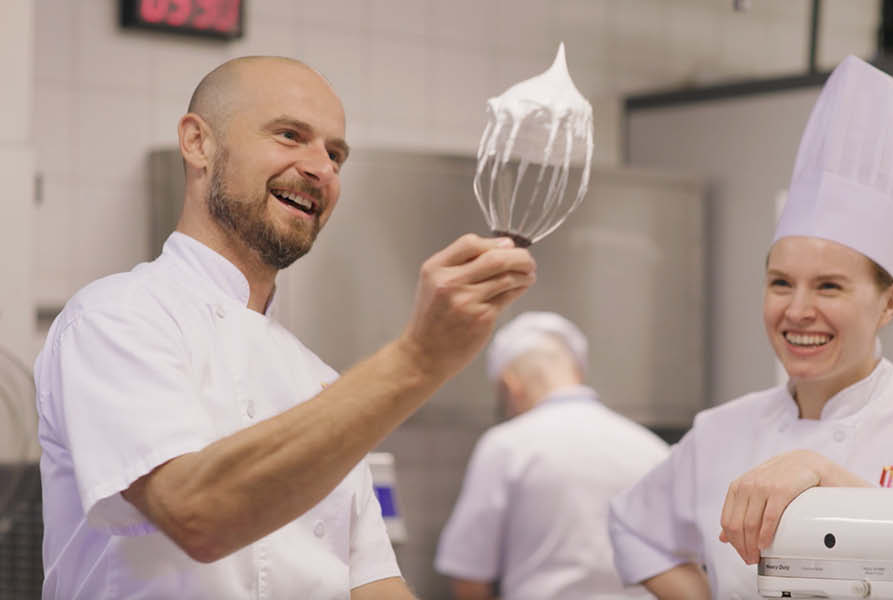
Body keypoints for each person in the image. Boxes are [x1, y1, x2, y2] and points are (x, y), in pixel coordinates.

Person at [34, 56, 536, 599]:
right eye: (290, 135)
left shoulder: (319, 380)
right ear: (198, 143)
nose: (322, 168)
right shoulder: (116, 318)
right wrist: (419, 359)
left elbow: (373, 585)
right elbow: (196, 513)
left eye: (336, 155)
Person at [607, 56, 893, 599]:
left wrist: (816, 471)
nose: (796, 310)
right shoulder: (719, 434)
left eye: (829, 286)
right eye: (779, 283)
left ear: (889, 304)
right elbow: (633, 527)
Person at [434, 312, 670, 600]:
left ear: (511, 386)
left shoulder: (506, 445)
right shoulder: (652, 448)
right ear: (577, 373)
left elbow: (468, 574)